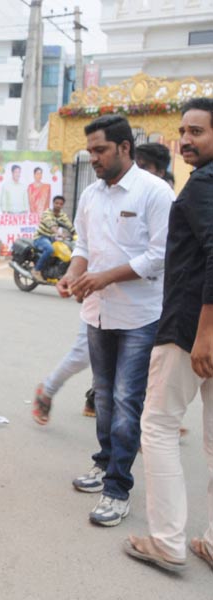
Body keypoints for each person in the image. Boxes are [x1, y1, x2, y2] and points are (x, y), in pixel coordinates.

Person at [56, 114, 175, 527]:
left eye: (100, 150)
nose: (94, 158)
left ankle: (118, 489)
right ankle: (104, 462)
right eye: (90, 151)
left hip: (140, 316)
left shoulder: (156, 193)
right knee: (103, 396)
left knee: (127, 401)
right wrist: (73, 274)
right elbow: (83, 244)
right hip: (97, 313)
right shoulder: (90, 195)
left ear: (125, 148)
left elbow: (160, 255)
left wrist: (103, 277)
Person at [125, 97, 213, 572]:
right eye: (183, 131)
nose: (185, 140)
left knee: (157, 426)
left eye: (197, 131)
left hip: (188, 329)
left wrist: (203, 334)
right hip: (201, 327)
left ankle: (167, 542)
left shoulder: (202, 186)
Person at [30, 195, 75, 281]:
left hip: (52, 238)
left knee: (65, 250)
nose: (58, 205)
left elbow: (69, 225)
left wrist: (75, 233)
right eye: (57, 203)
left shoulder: (62, 215)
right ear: (53, 203)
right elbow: (51, 224)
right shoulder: (47, 213)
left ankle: (55, 271)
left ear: (63, 205)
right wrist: (59, 233)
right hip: (41, 237)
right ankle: (36, 270)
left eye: (61, 204)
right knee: (50, 250)